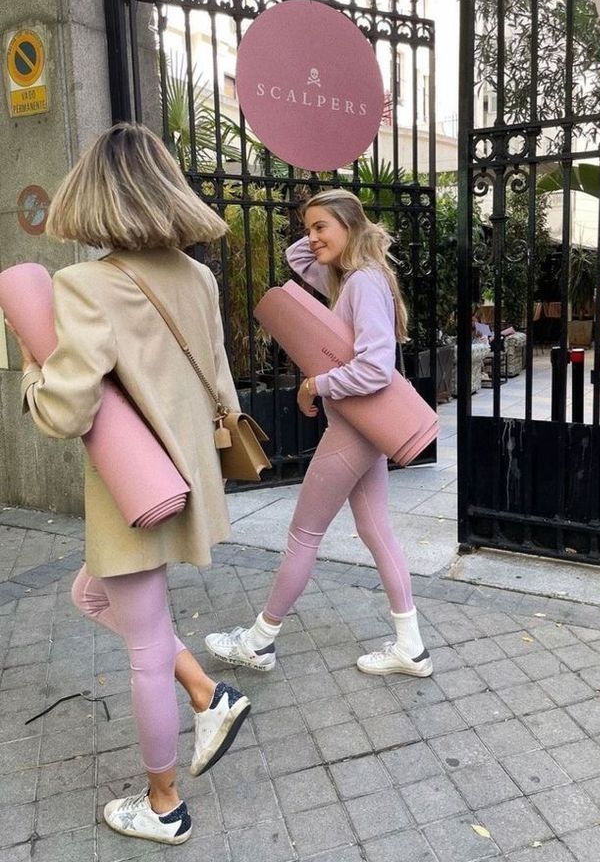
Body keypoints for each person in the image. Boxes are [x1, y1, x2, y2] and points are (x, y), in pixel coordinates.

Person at [6, 123, 250, 846]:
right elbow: (224, 387)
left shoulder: (84, 284)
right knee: (89, 595)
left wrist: (29, 371)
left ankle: (164, 803)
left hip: (130, 488)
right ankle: (209, 693)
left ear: (92, 196)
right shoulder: (197, 276)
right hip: (188, 476)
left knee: (142, 647)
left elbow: (64, 410)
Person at [206, 189, 432, 678]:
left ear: (348, 225)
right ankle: (410, 648)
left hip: (353, 428)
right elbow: (296, 259)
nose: (309, 238)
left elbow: (375, 368)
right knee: (376, 532)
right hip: (364, 428)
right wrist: (335, 237)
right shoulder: (351, 279)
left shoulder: (364, 284)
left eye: (320, 228)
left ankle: (260, 641)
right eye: (307, 228)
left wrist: (316, 382)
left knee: (303, 535)